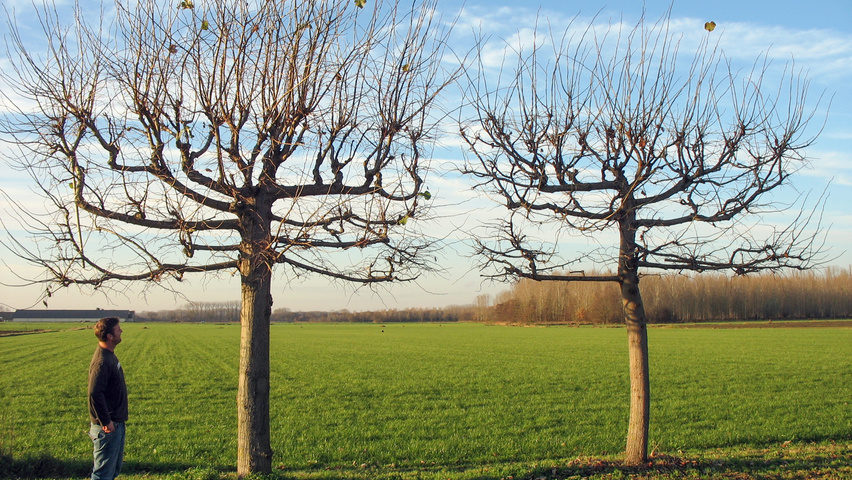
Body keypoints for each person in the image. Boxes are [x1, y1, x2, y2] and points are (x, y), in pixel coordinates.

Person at [87, 317, 128, 480]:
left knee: (112, 471)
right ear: (110, 336)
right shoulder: (102, 362)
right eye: (118, 329)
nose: (121, 331)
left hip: (115, 423)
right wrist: (106, 422)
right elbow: (94, 393)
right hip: (108, 427)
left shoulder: (109, 355)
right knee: (103, 474)